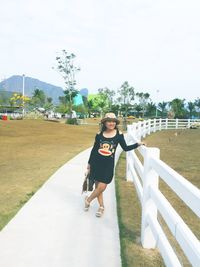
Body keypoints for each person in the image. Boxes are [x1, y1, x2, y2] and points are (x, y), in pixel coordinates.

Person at [84, 112, 145, 217]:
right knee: (99, 187)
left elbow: (125, 148)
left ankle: (88, 200)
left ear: (115, 123)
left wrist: (137, 144)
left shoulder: (119, 135)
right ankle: (101, 207)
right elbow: (94, 150)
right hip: (96, 164)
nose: (111, 123)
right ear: (105, 123)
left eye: (113, 121)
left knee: (102, 187)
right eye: (109, 121)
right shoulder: (99, 135)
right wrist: (89, 163)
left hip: (108, 166)